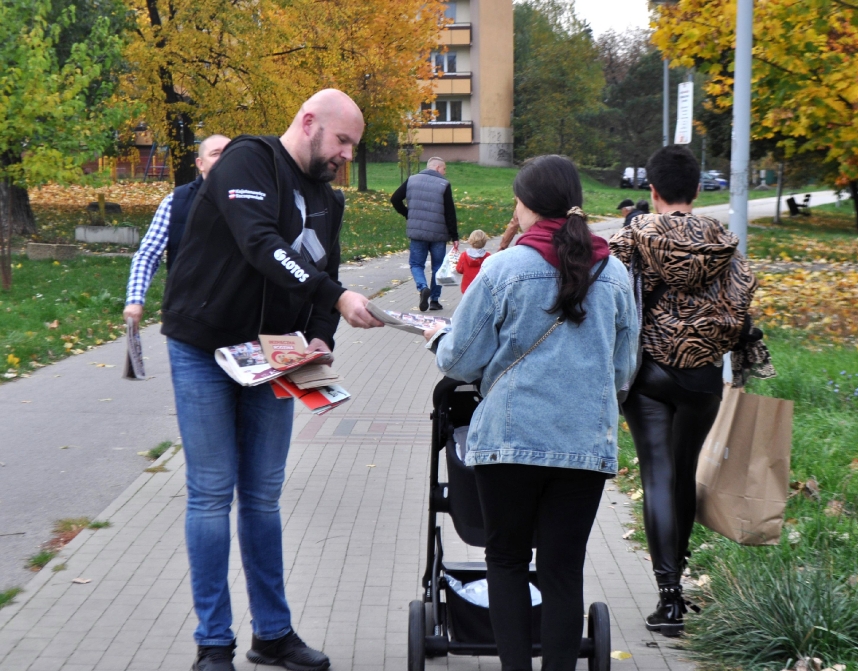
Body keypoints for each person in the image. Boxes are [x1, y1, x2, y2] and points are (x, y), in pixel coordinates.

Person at [160, 89, 383, 671]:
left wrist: (322, 335)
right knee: (212, 493)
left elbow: (325, 267)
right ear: (308, 122)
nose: (347, 156)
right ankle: (213, 645)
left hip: (273, 355)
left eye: (353, 146)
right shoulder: (248, 161)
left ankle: (273, 635)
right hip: (204, 345)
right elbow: (263, 245)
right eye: (342, 141)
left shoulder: (328, 199)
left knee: (262, 496)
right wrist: (336, 295)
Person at [424, 155, 639, 671]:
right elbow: (623, 371)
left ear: (528, 205)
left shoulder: (503, 269)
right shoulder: (614, 273)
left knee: (506, 561)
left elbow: (460, 359)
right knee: (564, 571)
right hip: (584, 445)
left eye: (517, 203)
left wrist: (437, 339)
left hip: (508, 443)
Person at [609, 145, 759, 637]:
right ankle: (679, 583)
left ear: (652, 191)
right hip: (702, 377)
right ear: (696, 189)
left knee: (657, 473)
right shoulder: (725, 241)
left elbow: (610, 295)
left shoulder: (633, 235)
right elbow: (742, 304)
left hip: (649, 373)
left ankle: (669, 597)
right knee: (684, 474)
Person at [123, 134, 231, 325]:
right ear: (200, 164)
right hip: (186, 318)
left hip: (237, 321)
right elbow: (148, 254)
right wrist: (135, 300)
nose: (223, 159)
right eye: (215, 154)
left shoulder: (254, 202)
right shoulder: (175, 203)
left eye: (229, 154)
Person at [390, 156, 459, 311]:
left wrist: (408, 214)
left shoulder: (412, 180)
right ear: (437, 168)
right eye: (444, 169)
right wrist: (454, 235)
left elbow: (395, 199)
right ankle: (434, 301)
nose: (445, 172)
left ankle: (422, 287)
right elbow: (450, 212)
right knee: (438, 267)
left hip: (417, 232)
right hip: (439, 234)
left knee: (416, 264)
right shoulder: (444, 184)